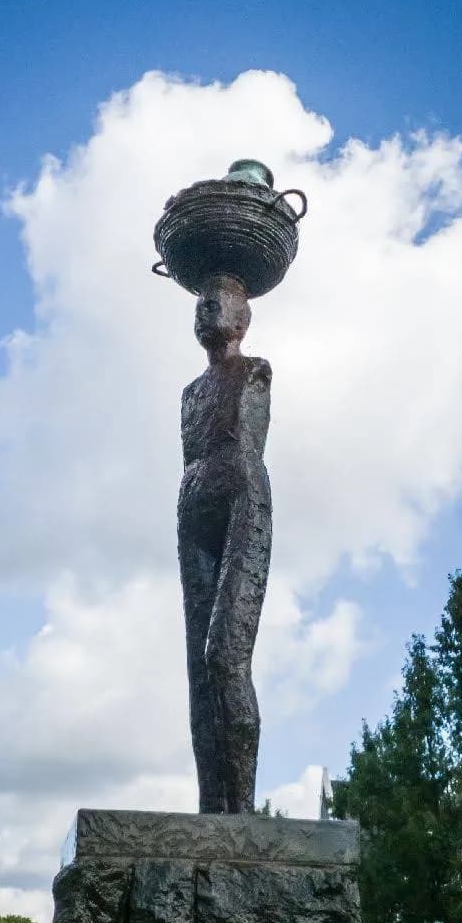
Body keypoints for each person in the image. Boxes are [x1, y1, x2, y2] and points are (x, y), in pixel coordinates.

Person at [177, 272, 272, 814]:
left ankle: (243, 811)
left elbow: (247, 452)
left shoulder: (254, 372)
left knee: (224, 656)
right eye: (201, 302)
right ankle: (212, 807)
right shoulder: (191, 393)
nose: (207, 307)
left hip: (241, 501)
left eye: (219, 300)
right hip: (193, 510)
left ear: (243, 317)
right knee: (198, 671)